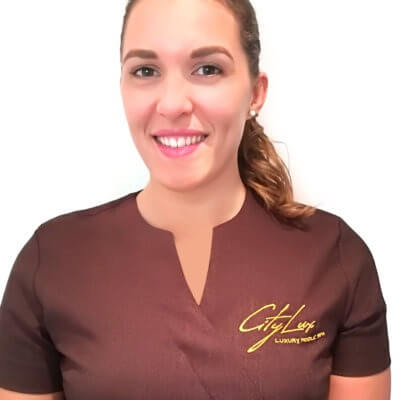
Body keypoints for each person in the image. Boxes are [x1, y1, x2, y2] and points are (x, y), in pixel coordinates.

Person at [0, 0, 391, 399]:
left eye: (207, 69)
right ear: (122, 87)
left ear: (255, 93)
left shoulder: (334, 257)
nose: (172, 104)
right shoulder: (53, 261)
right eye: (145, 71)